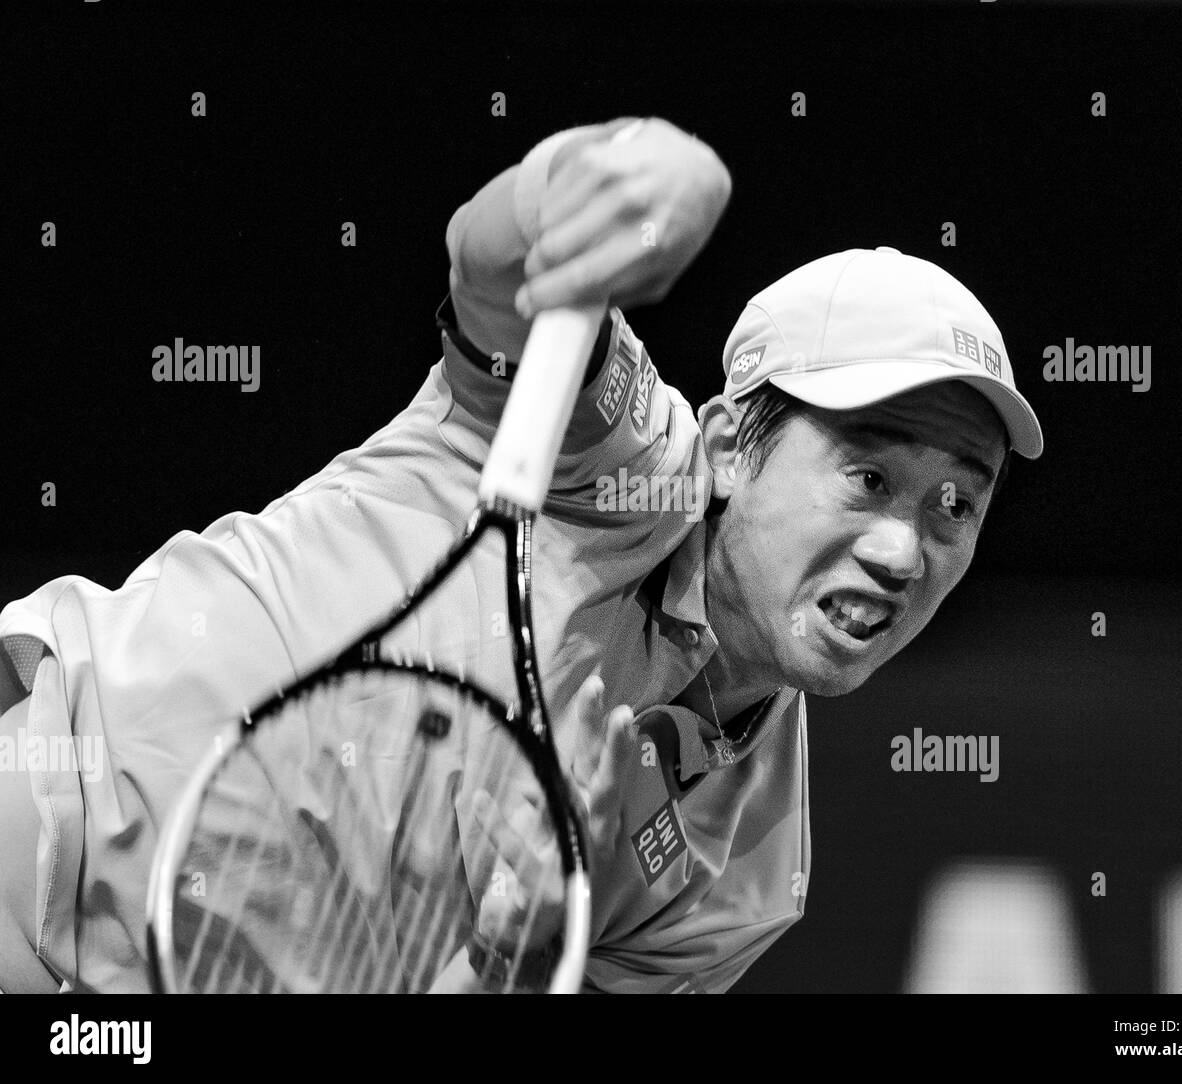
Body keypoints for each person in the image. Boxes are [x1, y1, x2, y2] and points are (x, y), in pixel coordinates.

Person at [0, 116, 1041, 994]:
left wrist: (513, 947)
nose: (907, 547)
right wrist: (607, 171)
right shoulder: (607, 456)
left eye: (955, 503)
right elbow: (497, 266)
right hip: (48, 830)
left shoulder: (746, 876)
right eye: (866, 477)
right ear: (729, 445)